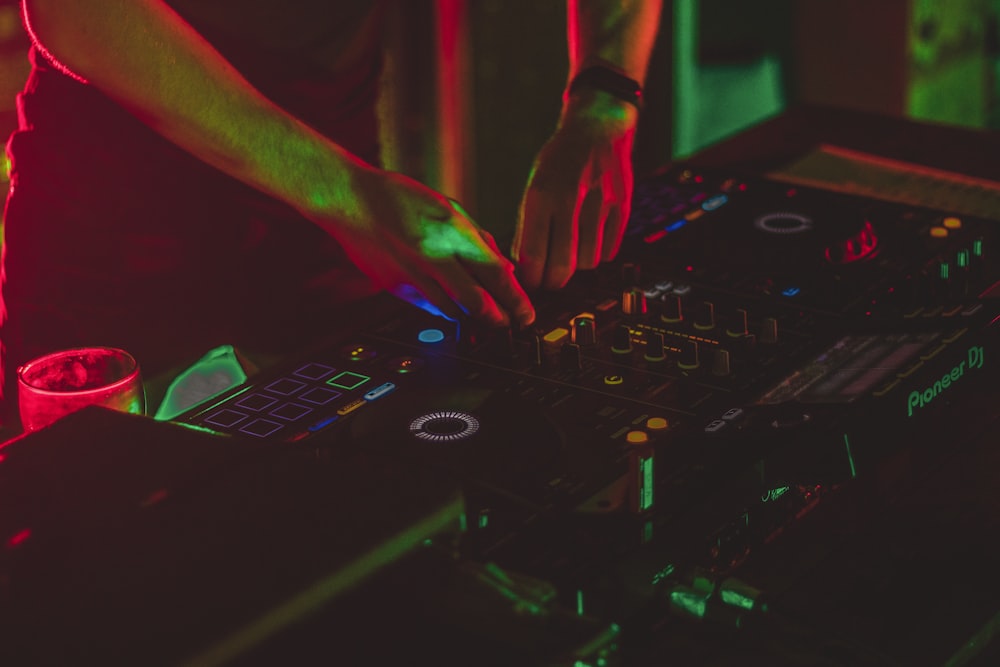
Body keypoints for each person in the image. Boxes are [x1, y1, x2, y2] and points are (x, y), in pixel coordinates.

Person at [0, 0, 662, 416]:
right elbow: (75, 12)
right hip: (121, 258)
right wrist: (349, 197)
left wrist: (604, 100)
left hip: (331, 234)